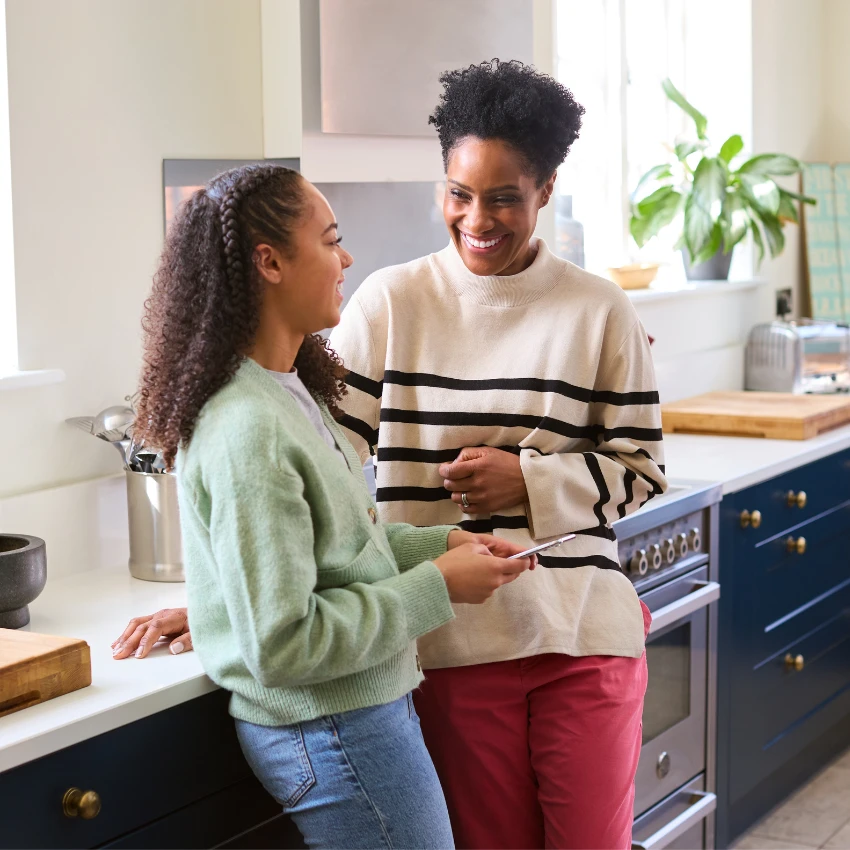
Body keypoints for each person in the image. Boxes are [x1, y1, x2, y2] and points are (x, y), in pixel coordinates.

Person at [120, 162, 534, 850]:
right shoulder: (247, 426)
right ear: (270, 261)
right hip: (335, 729)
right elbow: (284, 643)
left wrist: (444, 548)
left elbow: (336, 550)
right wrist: (438, 587)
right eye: (331, 239)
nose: (346, 258)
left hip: (355, 716)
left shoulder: (287, 392)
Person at [327, 60, 667, 850]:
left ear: (545, 189)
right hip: (451, 640)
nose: (477, 219)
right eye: (459, 193)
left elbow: (642, 472)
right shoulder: (388, 304)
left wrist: (530, 478)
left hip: (582, 631)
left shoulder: (599, 310)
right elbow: (325, 471)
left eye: (504, 197)